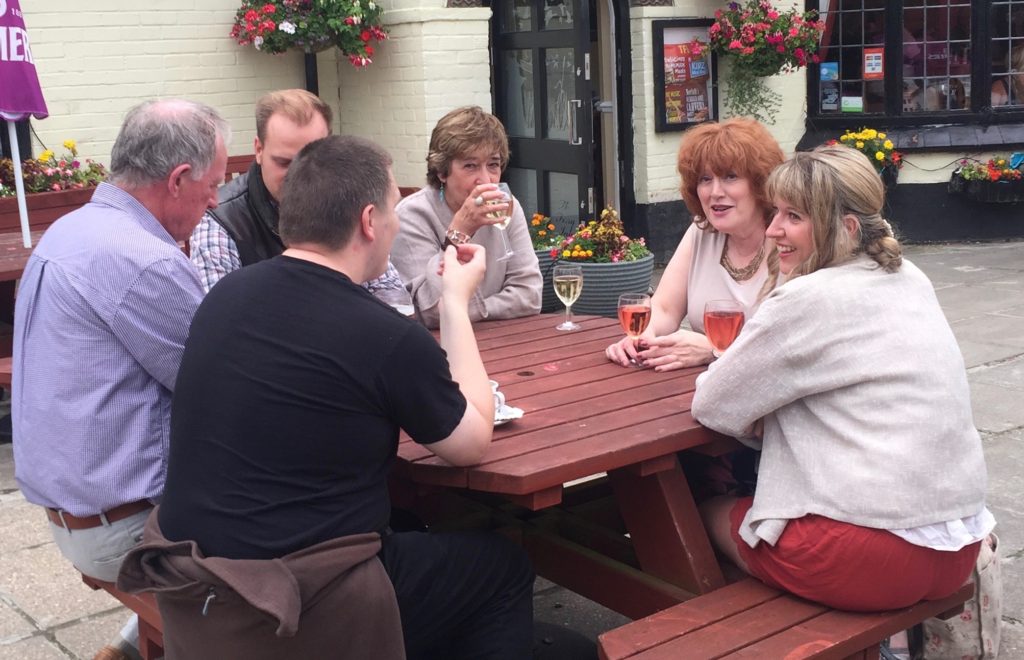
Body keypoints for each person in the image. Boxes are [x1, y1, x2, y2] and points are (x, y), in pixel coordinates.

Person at [123, 135, 535, 659]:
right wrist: (454, 301)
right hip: (295, 601)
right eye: (391, 212)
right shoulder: (382, 334)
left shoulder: (225, 297)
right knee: (501, 567)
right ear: (368, 221)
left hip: (194, 585)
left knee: (412, 524)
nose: (392, 225)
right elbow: (472, 442)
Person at [692, 145, 994, 612]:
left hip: (863, 557)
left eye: (792, 216)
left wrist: (766, 410)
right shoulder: (908, 276)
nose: (773, 231)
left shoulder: (807, 299)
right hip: (957, 549)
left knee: (699, 510)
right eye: (775, 213)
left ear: (846, 228)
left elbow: (713, 404)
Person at [12, 99, 229, 660]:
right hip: (120, 532)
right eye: (214, 185)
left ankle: (131, 649)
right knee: (311, 523)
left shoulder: (72, 228)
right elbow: (226, 390)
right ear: (179, 179)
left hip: (71, 511)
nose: (215, 200)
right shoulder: (143, 259)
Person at [189, 88, 412, 311]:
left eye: (315, 160)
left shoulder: (352, 200)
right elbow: (223, 318)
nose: (299, 175)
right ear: (258, 149)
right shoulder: (221, 223)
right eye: (285, 163)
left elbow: (390, 298)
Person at [606, 118, 784, 371]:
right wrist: (644, 335)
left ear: (760, 183)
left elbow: (793, 349)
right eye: (705, 179)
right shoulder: (702, 233)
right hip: (699, 386)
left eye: (730, 177)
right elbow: (666, 308)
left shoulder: (788, 240)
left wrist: (715, 351)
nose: (715, 192)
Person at [391, 105, 541, 329]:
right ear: (442, 172)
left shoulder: (506, 205)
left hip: (503, 339)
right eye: (470, 166)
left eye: (493, 165)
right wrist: (459, 232)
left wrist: (475, 309)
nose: (486, 180)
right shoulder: (413, 215)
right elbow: (431, 312)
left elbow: (530, 296)